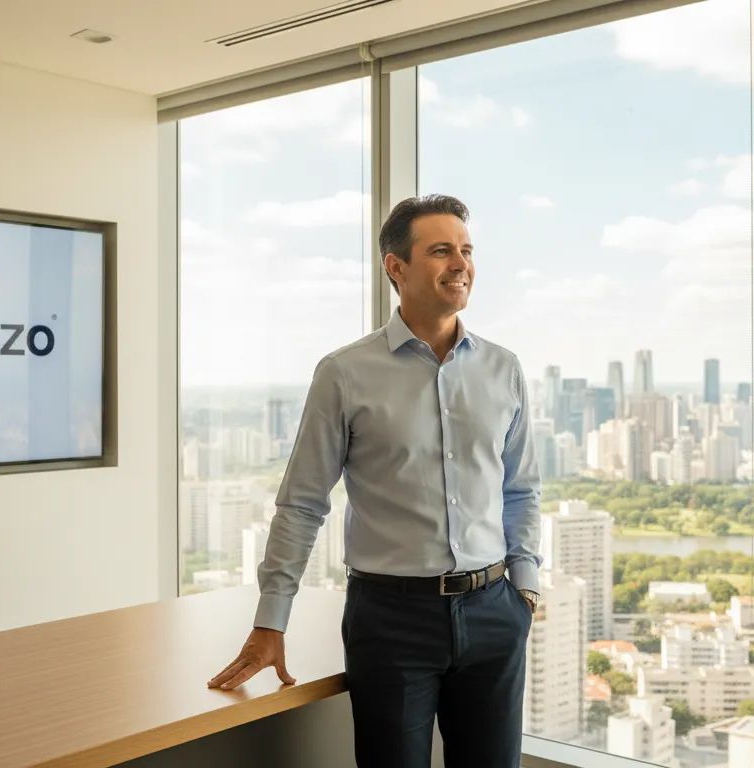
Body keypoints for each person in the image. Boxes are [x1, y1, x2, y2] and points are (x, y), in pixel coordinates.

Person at [208, 194, 543, 768]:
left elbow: (521, 489)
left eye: (466, 250)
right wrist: (271, 621)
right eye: (441, 251)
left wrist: (526, 585)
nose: (460, 264)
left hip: (494, 612)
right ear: (396, 267)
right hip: (392, 621)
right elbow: (302, 503)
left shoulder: (503, 368)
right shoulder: (343, 373)